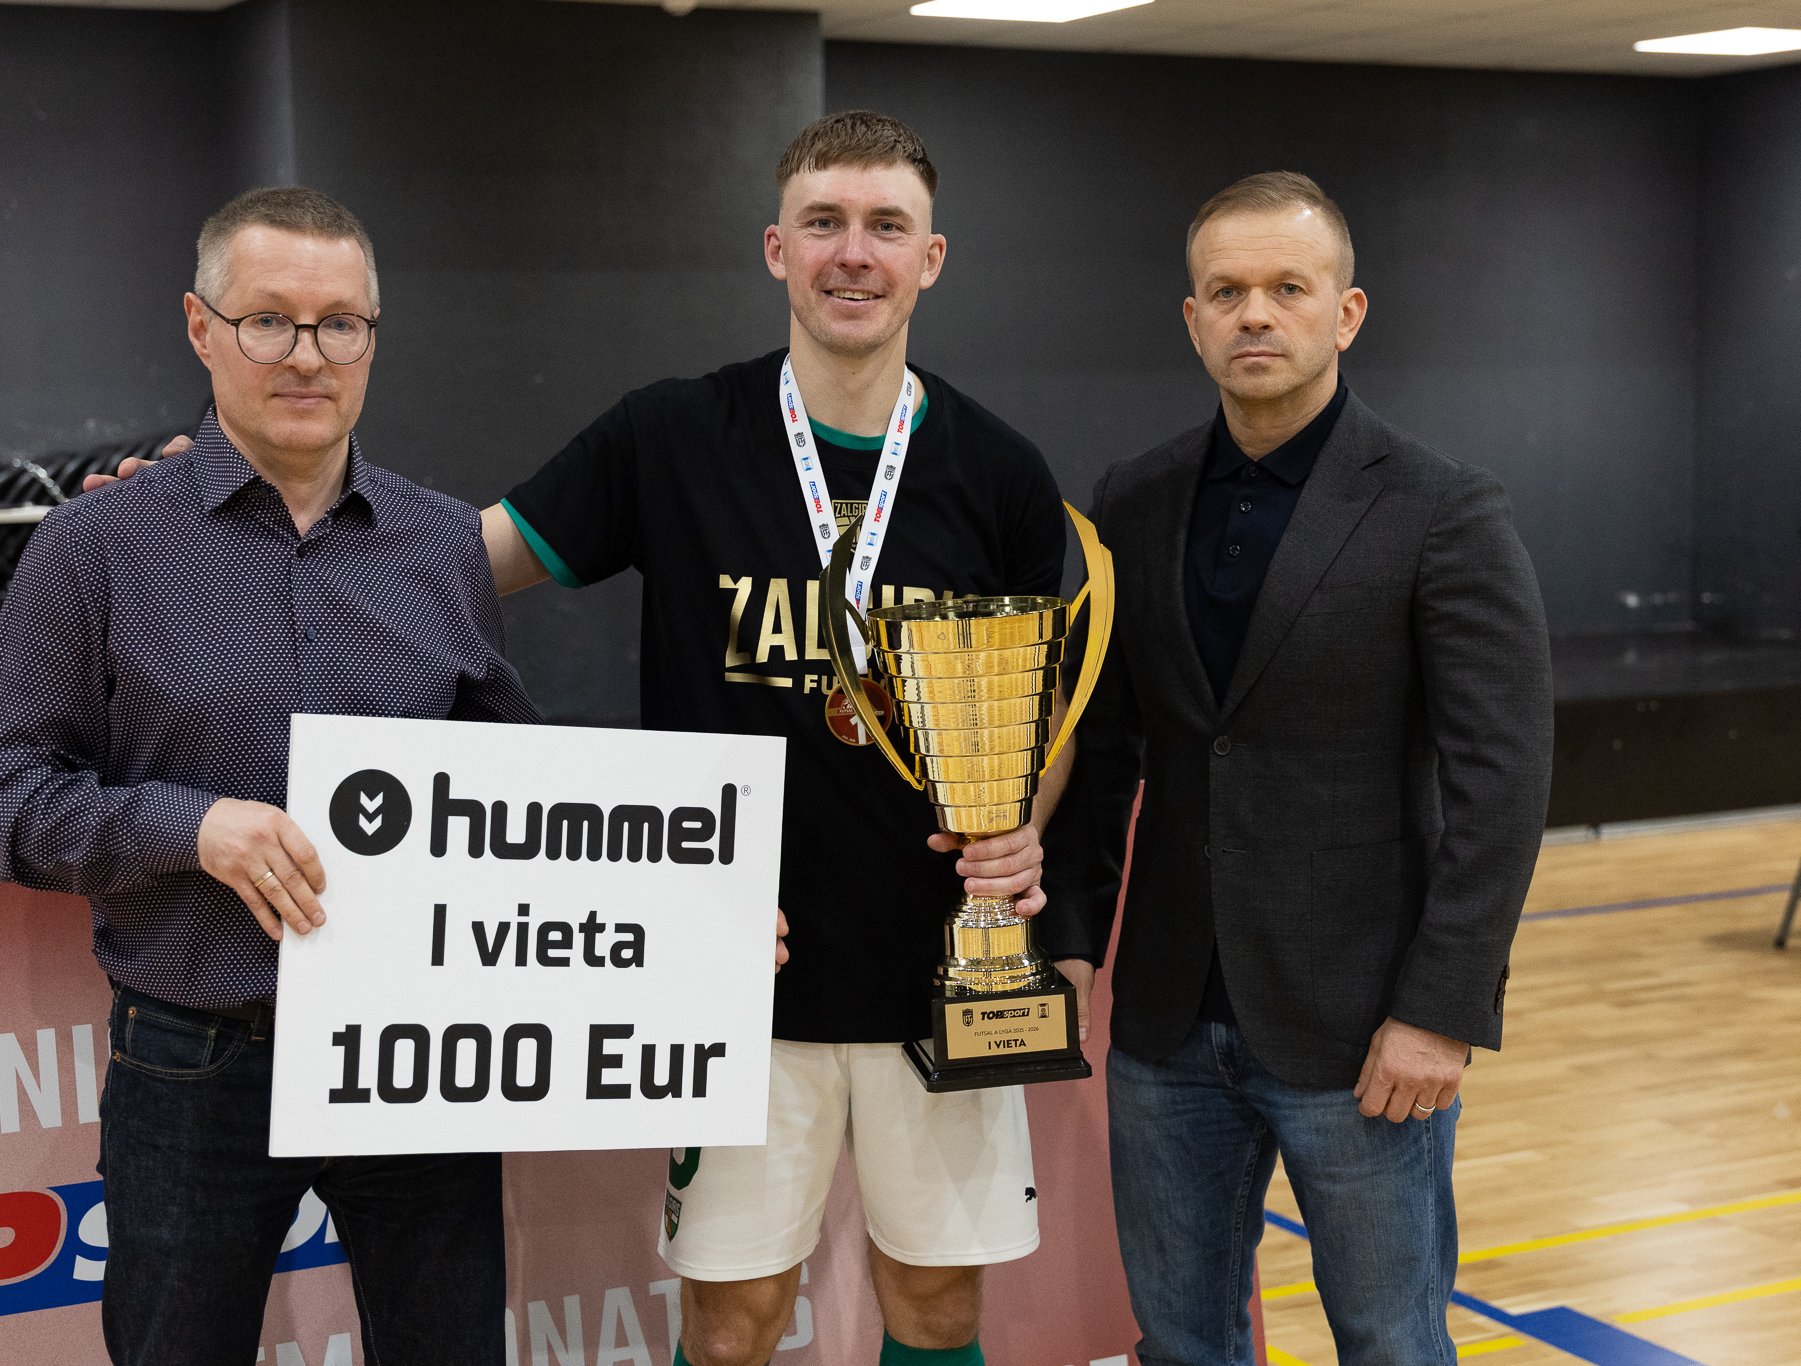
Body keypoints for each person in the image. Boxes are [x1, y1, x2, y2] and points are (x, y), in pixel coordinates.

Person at [102, 113, 1070, 1366]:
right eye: (823, 222)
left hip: (939, 963)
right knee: (732, 1321)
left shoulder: (999, 471)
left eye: (886, 226)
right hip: (732, 972)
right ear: (775, 247)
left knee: (938, 1304)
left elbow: (1045, 708)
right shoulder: (671, 435)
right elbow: (443, 563)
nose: (853, 253)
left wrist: (1023, 826)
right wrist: (208, 508)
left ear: (929, 258)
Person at [0, 187, 540, 1366]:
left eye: (340, 324)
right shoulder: (94, 547)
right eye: (269, 320)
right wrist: (192, 827)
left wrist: (694, 910)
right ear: (201, 327)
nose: (307, 355)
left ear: (372, 336)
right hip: (195, 1057)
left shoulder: (441, 544)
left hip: (415, 1057)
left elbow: (521, 797)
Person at [1039, 172, 1552, 1365]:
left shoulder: (1442, 508)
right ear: (1191, 319)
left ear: (1345, 312)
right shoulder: (1131, 500)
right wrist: (1068, 936)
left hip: (1363, 1030)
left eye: (1286, 287)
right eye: (1225, 292)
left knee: (1389, 1342)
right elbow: (1103, 750)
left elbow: (1501, 786)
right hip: (1164, 1022)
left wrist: (1440, 1009)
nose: (1254, 314)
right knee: (1181, 1342)